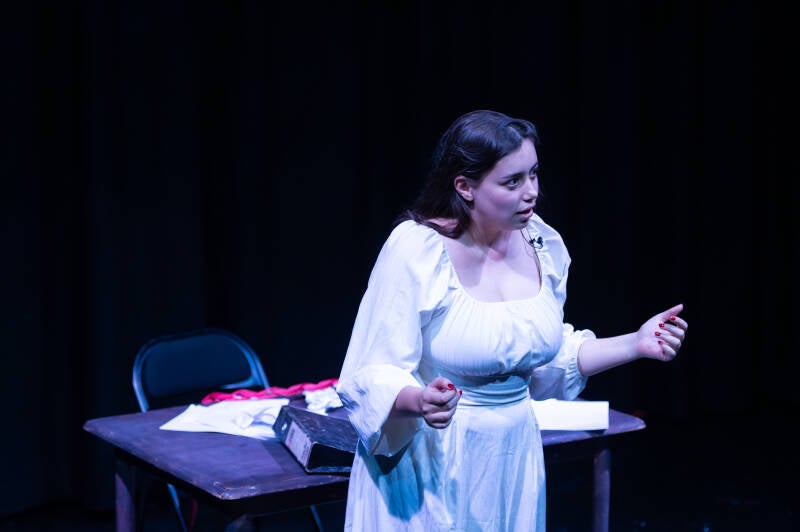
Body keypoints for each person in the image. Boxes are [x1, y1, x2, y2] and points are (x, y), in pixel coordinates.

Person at [335, 109, 688, 531]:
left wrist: (637, 342)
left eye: (534, 174)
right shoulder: (417, 251)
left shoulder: (541, 244)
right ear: (464, 186)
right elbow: (372, 370)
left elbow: (544, 362)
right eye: (512, 181)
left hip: (510, 458)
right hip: (434, 462)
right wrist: (419, 400)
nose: (531, 192)